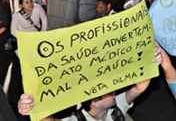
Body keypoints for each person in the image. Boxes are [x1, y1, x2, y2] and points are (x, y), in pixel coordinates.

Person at [18, 49, 162, 121]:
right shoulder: (77, 119)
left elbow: (140, 87)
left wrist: (149, 61)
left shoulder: (115, 108)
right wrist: (31, 106)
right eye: (106, 91)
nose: (113, 90)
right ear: (94, 101)